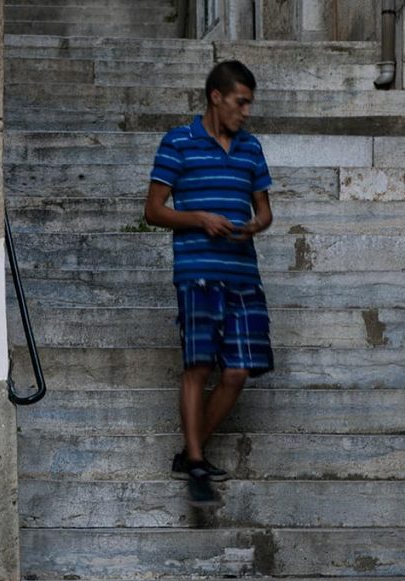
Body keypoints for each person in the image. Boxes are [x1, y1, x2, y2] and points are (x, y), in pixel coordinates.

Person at [143, 61, 275, 507]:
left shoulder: (251, 148)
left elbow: (265, 211)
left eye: (250, 103)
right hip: (197, 271)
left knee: (238, 371)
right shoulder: (178, 141)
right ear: (216, 97)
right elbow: (154, 210)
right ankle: (197, 460)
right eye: (241, 102)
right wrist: (199, 218)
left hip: (242, 273)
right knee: (199, 367)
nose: (246, 111)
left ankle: (190, 453)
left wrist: (254, 226)